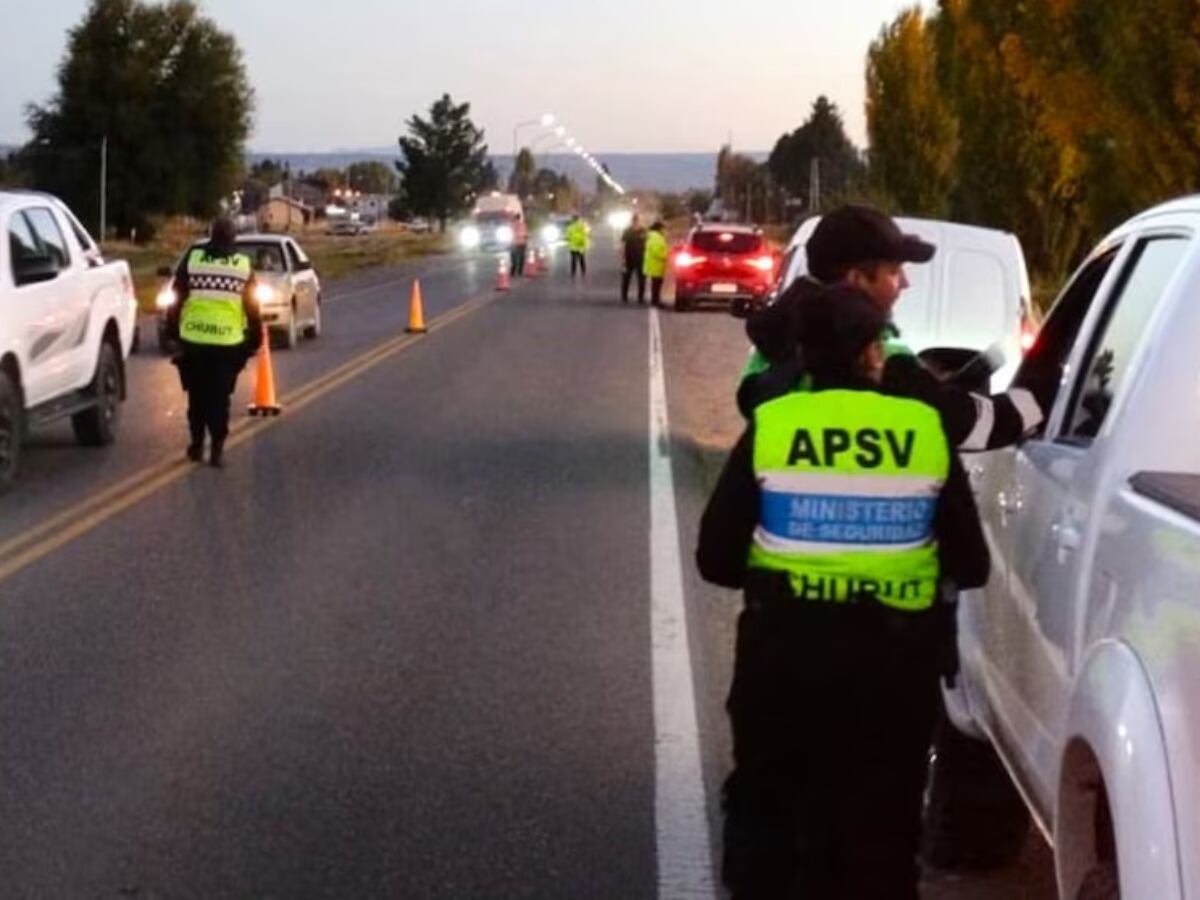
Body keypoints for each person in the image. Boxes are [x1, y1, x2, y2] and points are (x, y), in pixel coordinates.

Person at [697, 284, 990, 899]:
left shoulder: (775, 424)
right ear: (870, 354)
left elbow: (716, 560)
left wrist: (788, 572)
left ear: (804, 355)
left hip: (782, 663)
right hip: (894, 670)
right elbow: (973, 563)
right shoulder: (922, 427)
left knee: (765, 820)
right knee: (880, 839)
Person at [737, 204, 1045, 451]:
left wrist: (968, 375)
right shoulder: (876, 354)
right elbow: (965, 425)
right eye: (895, 272)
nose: (906, 284)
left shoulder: (771, 347)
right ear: (857, 280)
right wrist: (1041, 397)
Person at [166, 217, 262, 468]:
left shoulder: (194, 258)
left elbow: (176, 298)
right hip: (227, 344)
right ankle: (217, 448)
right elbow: (252, 307)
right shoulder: (241, 265)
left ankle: (197, 444)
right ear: (233, 238)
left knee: (196, 396)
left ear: (210, 235)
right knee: (220, 398)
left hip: (194, 341)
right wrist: (255, 339)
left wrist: (172, 331)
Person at [620, 214, 647, 303]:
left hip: (641, 258)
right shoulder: (627, 231)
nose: (635, 222)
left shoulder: (643, 231)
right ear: (631, 221)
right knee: (626, 277)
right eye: (634, 220)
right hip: (629, 257)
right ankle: (624, 296)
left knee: (642, 278)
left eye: (637, 220)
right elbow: (623, 244)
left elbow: (647, 244)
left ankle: (641, 297)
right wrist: (623, 258)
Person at [642, 220, 668, 307]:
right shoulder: (656, 237)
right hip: (656, 264)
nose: (665, 230)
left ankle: (655, 300)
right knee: (656, 285)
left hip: (656, 264)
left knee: (656, 284)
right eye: (663, 229)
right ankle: (655, 301)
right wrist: (666, 256)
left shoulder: (654, 236)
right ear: (659, 228)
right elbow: (656, 251)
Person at [564, 214, 590, 279]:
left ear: (572, 220)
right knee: (582, 259)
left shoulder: (570, 227)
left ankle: (573, 272)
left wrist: (567, 240)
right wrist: (585, 243)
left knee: (573, 260)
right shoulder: (583, 226)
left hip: (573, 246)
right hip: (581, 245)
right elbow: (586, 234)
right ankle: (583, 271)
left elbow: (567, 237)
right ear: (578, 219)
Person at [510, 212, 529, 277]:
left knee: (514, 259)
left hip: (514, 243)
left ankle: (513, 271)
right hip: (521, 243)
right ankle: (520, 271)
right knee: (521, 257)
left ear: (514, 218)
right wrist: (525, 237)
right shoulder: (523, 225)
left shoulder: (511, 226)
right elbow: (526, 234)